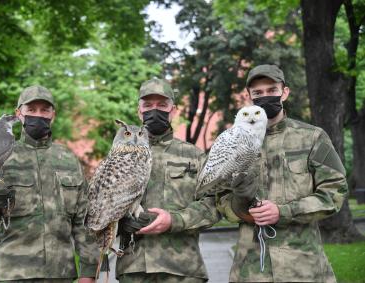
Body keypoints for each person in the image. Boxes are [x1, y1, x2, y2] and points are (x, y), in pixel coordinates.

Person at [217, 64, 347, 282]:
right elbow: (219, 196)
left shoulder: (312, 137)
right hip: (251, 269)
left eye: (272, 90)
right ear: (248, 96)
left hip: (303, 268)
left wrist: (283, 211)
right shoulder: (233, 143)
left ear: (284, 92)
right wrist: (241, 211)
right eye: (258, 93)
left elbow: (334, 192)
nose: (265, 96)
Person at [0, 86, 97, 283]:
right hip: (10, 274)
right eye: (31, 109)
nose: (38, 115)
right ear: (19, 114)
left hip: (59, 274)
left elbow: (84, 221)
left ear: (53, 115)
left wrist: (88, 272)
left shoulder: (68, 160)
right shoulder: (1, 154)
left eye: (45, 110)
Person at [115, 78, 220, 283]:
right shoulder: (121, 155)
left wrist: (174, 220)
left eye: (162, 105)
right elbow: (101, 206)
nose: (155, 111)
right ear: (139, 111)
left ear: (173, 110)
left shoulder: (195, 156)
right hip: (134, 269)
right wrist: (120, 221)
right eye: (148, 105)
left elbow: (214, 205)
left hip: (183, 270)